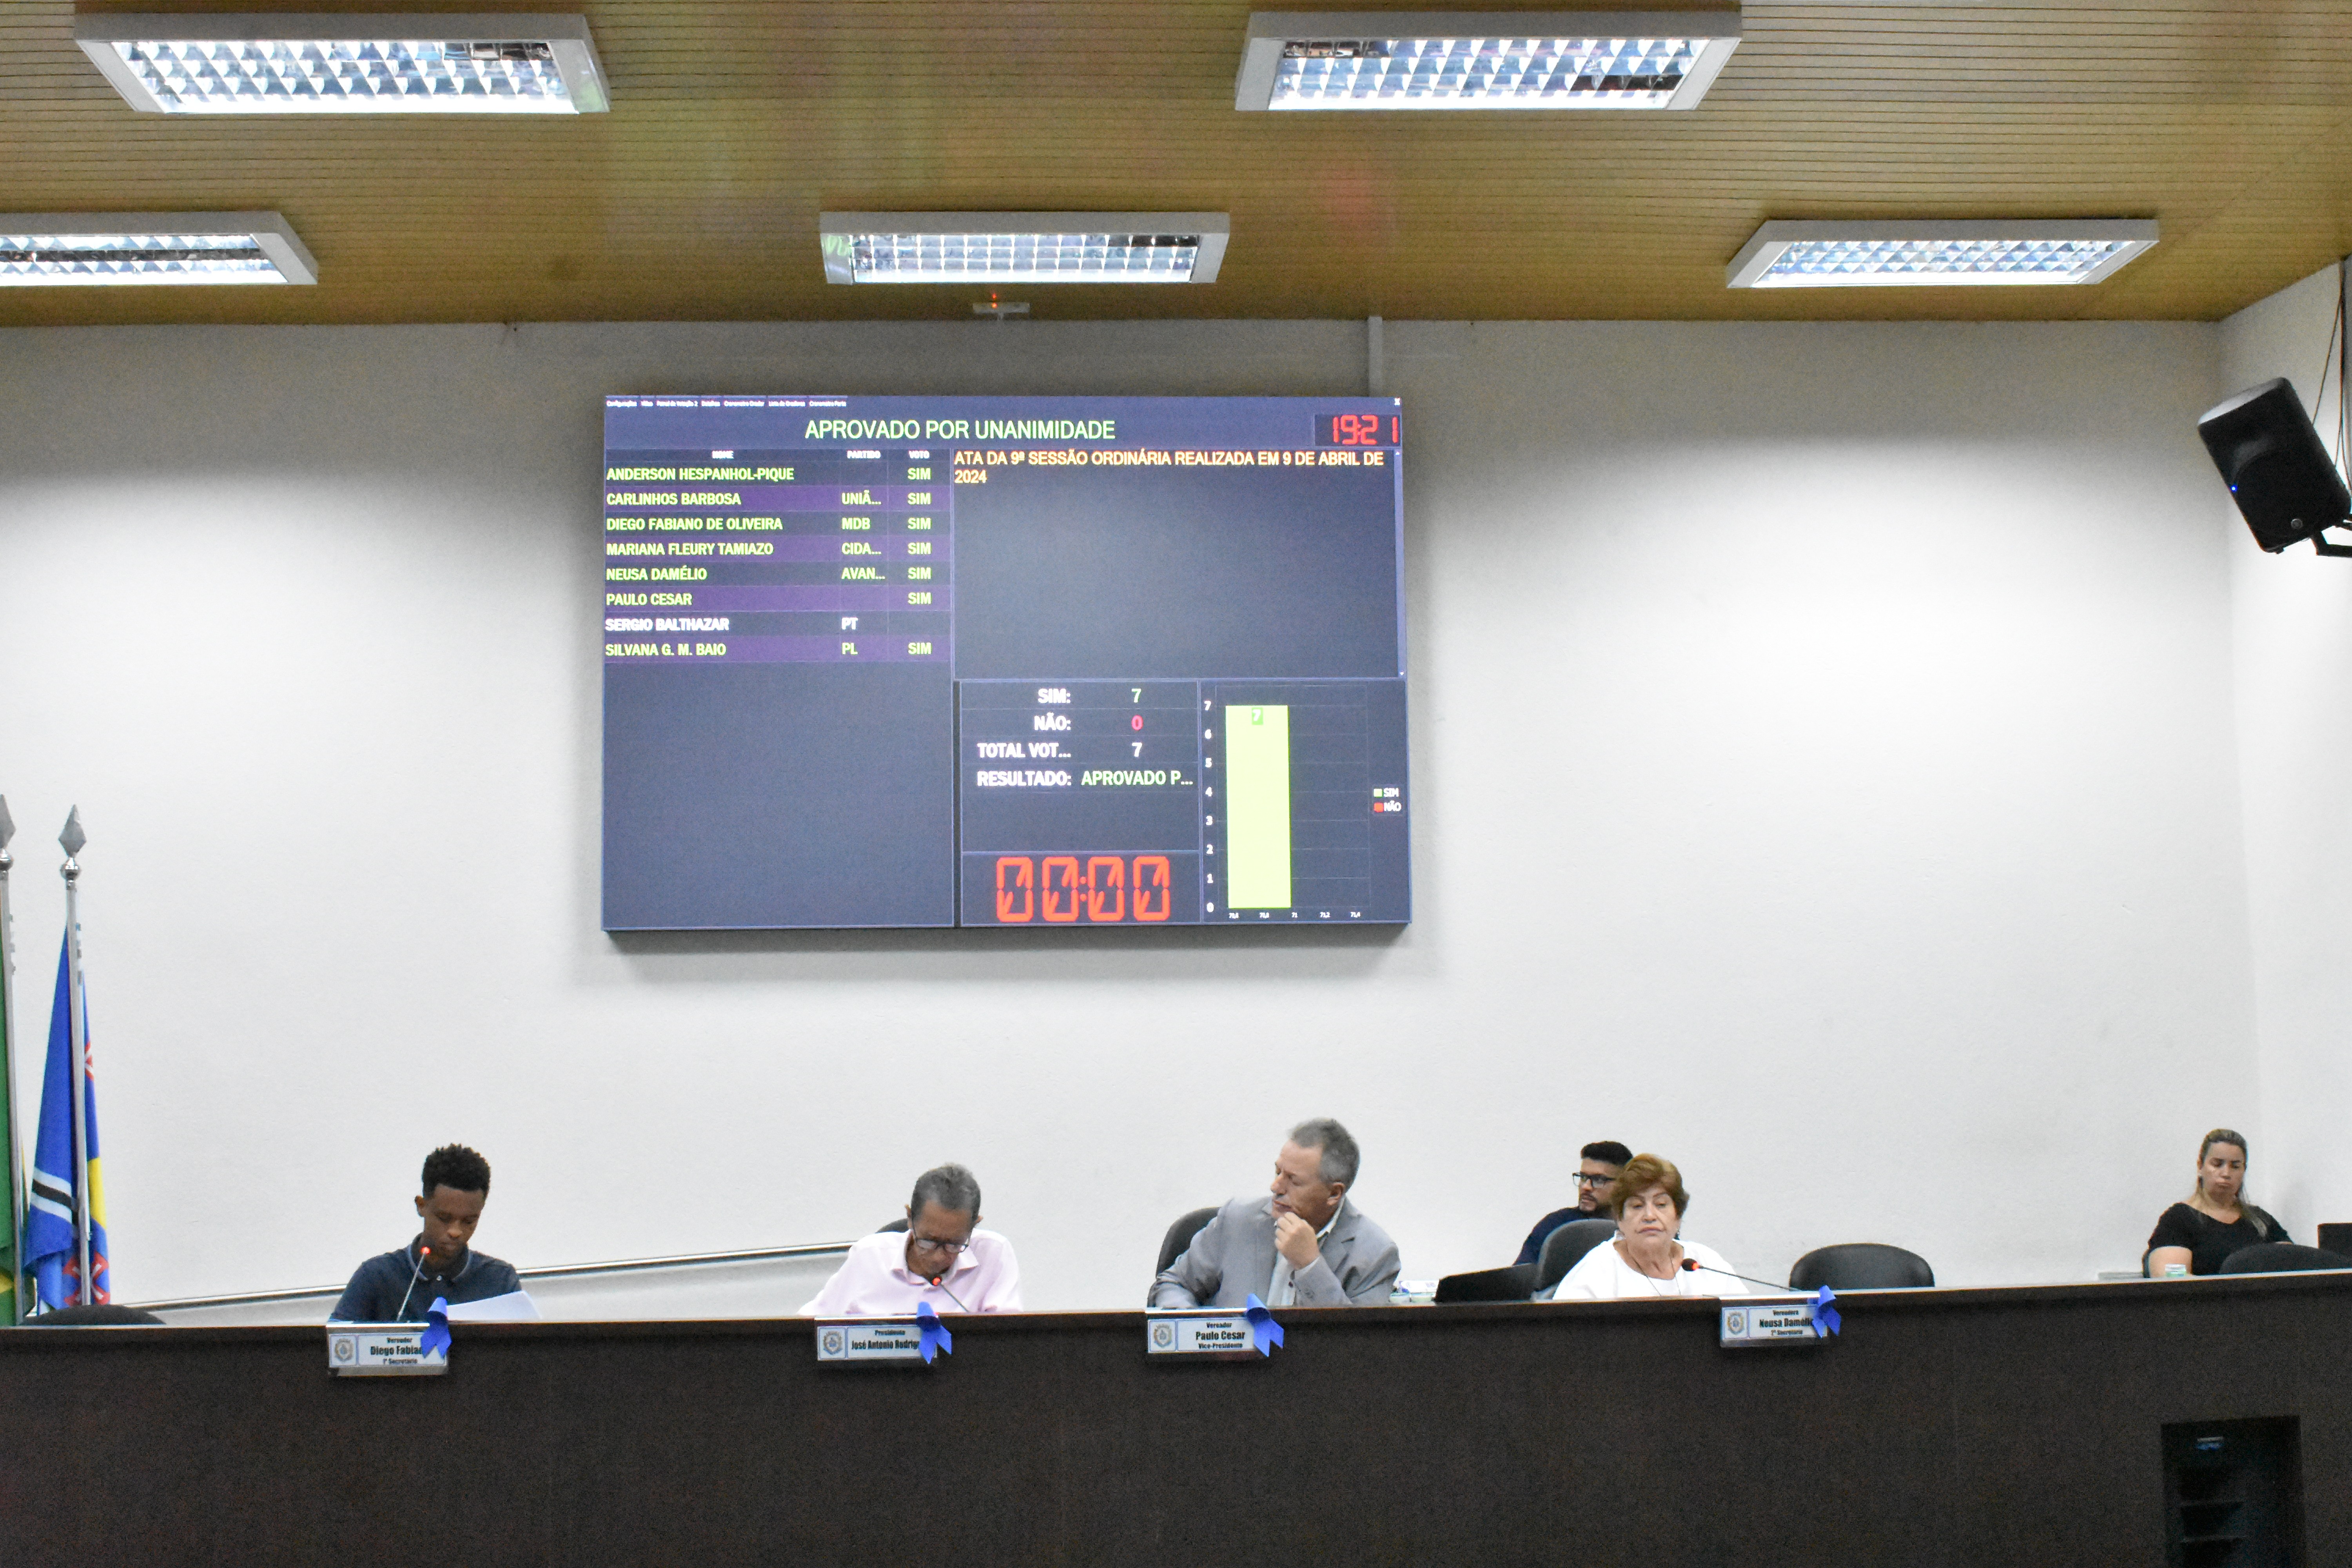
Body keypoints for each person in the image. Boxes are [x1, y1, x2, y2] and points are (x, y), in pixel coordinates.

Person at [1151, 1118, 1400, 1308]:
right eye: (1278, 1172)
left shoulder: (1375, 1254)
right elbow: (1173, 1284)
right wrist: (1195, 1332)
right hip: (1230, 1361)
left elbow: (1358, 1346)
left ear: (1334, 1193)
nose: (1276, 1187)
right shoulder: (1237, 1220)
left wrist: (1310, 1266)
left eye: (1294, 1180)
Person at [330, 1143, 520, 1323]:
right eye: (444, 1218)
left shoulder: (500, 1281)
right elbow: (336, 1342)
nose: (455, 1232)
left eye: (469, 1221)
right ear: (421, 1206)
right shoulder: (376, 1276)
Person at [803, 1163, 1022, 1315]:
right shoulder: (869, 1257)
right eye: (928, 1242)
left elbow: (1008, 1339)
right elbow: (808, 1328)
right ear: (910, 1218)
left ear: (973, 1226)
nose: (939, 1257)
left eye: (954, 1244)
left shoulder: (994, 1254)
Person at [1550, 1152, 1735, 1301]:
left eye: (1661, 1205)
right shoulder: (1595, 1274)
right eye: (1637, 1206)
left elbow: (1743, 1324)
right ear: (1620, 1219)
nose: (1649, 1216)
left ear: (1678, 1216)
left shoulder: (1707, 1264)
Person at [2144, 1128, 2290, 1277]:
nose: (2226, 1173)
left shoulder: (2260, 1221)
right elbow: (2171, 1276)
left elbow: (2293, 1268)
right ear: (2200, 1167)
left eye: (2235, 1166)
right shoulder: (2179, 1219)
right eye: (2217, 1164)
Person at [1514, 1140, 1632, 1266]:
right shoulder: (1556, 1225)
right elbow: (1523, 1274)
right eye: (1583, 1177)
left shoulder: (1636, 1229)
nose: (1586, 1187)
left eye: (1598, 1180)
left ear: (1623, 1185)